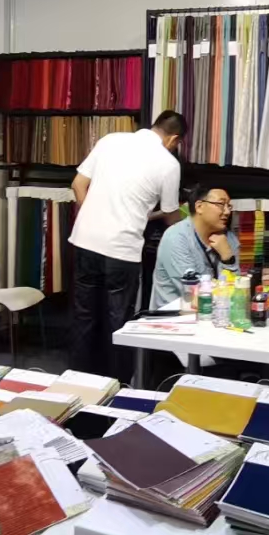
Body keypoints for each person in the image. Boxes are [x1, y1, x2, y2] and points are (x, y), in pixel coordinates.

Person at [68, 109, 185, 379]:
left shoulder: (110, 140)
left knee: (84, 316)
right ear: (173, 139)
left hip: (84, 240)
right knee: (118, 321)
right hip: (121, 249)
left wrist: (95, 216)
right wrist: (185, 224)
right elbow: (170, 214)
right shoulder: (169, 164)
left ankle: (77, 380)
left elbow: (78, 184)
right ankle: (116, 384)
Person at [150, 184, 239, 309]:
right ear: (199, 207)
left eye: (229, 206)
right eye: (221, 204)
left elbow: (237, 292)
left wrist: (228, 258)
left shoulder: (229, 239)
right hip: (174, 317)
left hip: (215, 313)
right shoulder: (176, 237)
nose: (227, 211)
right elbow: (194, 294)